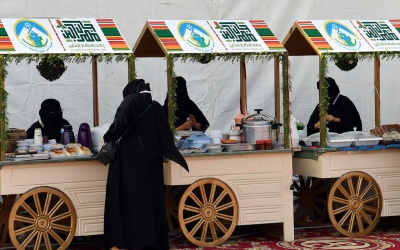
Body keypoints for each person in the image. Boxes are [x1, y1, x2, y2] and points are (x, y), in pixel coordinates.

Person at [103, 79, 189, 250]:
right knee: (150, 202)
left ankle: (129, 240)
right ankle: (150, 240)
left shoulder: (130, 102)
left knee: (130, 201)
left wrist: (107, 137)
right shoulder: (156, 107)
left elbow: (117, 127)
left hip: (129, 162)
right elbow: (165, 135)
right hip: (152, 164)